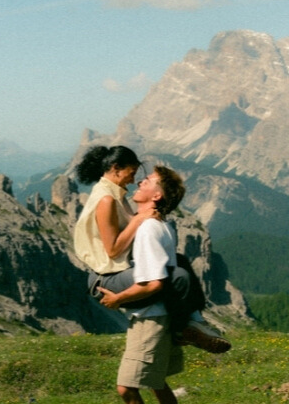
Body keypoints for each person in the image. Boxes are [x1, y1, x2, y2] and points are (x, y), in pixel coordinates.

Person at [97, 165, 202, 404]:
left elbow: (153, 283)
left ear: (157, 195)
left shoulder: (148, 230)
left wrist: (118, 299)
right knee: (157, 383)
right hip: (163, 316)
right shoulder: (159, 225)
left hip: (150, 318)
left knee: (126, 388)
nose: (140, 180)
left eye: (149, 181)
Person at [73, 145, 230, 353]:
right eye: (131, 173)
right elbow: (112, 250)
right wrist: (140, 218)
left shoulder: (114, 195)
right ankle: (182, 330)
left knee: (179, 260)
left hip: (117, 270)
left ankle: (196, 321)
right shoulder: (106, 199)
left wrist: (150, 217)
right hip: (106, 277)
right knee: (179, 277)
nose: (133, 180)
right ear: (116, 168)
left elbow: (132, 226)